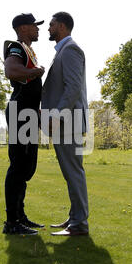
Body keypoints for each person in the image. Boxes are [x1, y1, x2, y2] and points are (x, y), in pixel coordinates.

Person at [42, 12, 90, 236]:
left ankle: (79, 224)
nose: (48, 28)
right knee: (70, 173)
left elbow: (72, 88)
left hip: (67, 123)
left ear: (61, 26)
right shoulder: (62, 51)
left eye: (51, 24)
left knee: (73, 172)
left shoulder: (70, 50)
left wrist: (57, 116)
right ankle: (74, 218)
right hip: (65, 123)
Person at [2, 13, 46, 236]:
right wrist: (35, 72)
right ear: (22, 28)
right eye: (34, 26)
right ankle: (11, 223)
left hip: (27, 113)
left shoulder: (29, 50)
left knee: (27, 167)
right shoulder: (17, 47)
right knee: (18, 166)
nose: (37, 29)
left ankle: (20, 216)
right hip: (20, 112)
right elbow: (10, 71)